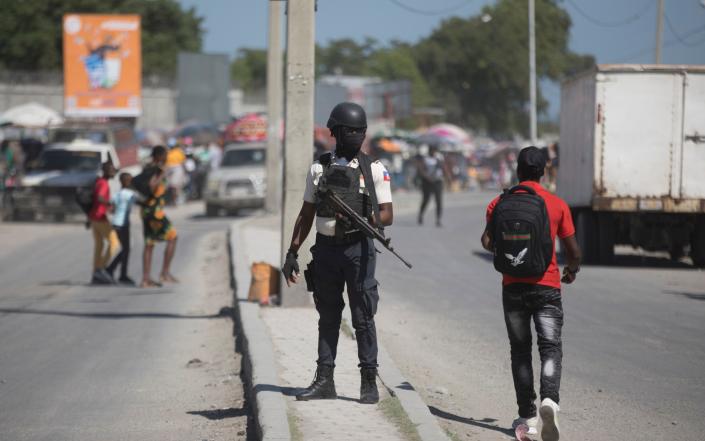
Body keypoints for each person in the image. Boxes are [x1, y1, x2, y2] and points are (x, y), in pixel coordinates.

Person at [282, 102, 393, 404]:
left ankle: (368, 380)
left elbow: (387, 214)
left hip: (359, 250)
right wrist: (292, 252)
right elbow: (306, 214)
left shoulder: (374, 170)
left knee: (363, 318)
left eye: (359, 131)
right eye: (350, 131)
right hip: (326, 251)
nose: (355, 136)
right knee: (328, 317)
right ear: (336, 133)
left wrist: (364, 220)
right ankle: (324, 381)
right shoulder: (319, 169)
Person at [481, 146, 581, 441]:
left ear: (519, 171)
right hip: (547, 287)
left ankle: (528, 417)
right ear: (543, 172)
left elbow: (487, 241)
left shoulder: (498, 203)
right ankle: (550, 400)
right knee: (550, 347)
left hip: (513, 288)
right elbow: (573, 251)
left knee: (520, 350)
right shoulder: (557, 204)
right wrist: (572, 270)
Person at [141, 146, 179, 288]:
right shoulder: (157, 169)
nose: (166, 158)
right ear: (159, 156)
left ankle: (146, 279)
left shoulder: (148, 167)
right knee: (173, 236)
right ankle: (164, 273)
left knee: (149, 243)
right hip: (154, 212)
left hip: (147, 210)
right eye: (164, 155)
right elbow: (152, 186)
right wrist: (163, 174)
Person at [89, 161, 119, 284]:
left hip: (94, 217)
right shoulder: (103, 184)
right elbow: (100, 197)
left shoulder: (99, 182)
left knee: (99, 245)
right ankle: (100, 269)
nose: (113, 172)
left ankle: (96, 272)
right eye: (111, 170)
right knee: (114, 243)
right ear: (106, 171)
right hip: (100, 218)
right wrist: (110, 204)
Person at [106, 172, 137, 285]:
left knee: (125, 249)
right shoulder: (130, 194)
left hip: (115, 223)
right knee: (126, 249)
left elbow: (112, 209)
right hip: (123, 224)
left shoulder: (117, 194)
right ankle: (116, 272)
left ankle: (115, 271)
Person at [417, 144, 447, 227]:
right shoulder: (425, 159)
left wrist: (440, 164)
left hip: (437, 181)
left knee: (438, 201)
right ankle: (421, 215)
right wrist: (427, 177)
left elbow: (444, 169)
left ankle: (438, 219)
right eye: (432, 151)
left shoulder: (439, 158)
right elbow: (421, 170)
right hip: (427, 182)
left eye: (434, 151)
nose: (433, 152)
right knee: (426, 200)